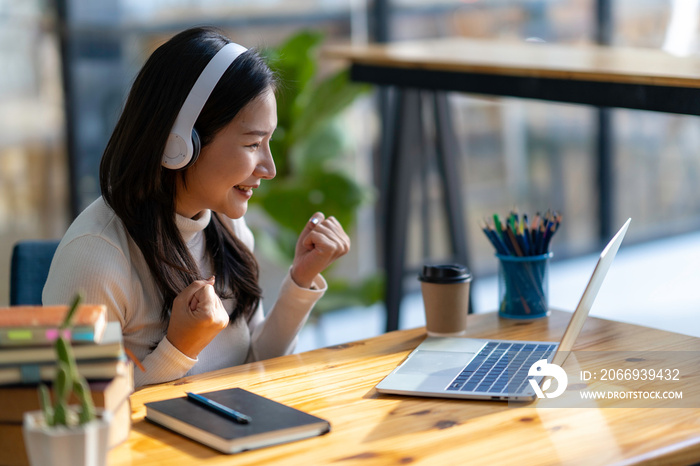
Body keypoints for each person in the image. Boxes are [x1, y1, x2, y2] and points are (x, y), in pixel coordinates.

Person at [43, 27, 350, 388]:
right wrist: (178, 348)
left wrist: (301, 280)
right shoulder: (96, 258)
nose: (270, 169)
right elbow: (79, 410)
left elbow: (253, 367)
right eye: (253, 144)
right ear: (181, 142)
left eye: (269, 142)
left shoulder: (226, 226)